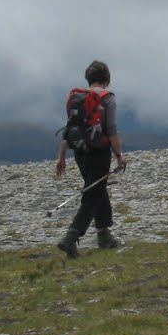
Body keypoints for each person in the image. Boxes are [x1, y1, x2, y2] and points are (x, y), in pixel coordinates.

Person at [54, 60, 127, 258]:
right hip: (98, 152)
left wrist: (61, 157)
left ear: (88, 78)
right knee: (93, 195)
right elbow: (111, 130)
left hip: (79, 151)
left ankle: (104, 235)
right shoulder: (107, 98)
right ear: (107, 79)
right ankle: (71, 237)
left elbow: (69, 128)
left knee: (97, 189)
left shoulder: (76, 98)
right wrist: (119, 156)